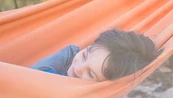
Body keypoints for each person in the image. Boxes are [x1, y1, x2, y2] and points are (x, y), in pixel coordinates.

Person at [30, 29, 162, 81]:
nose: (78, 68)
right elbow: (33, 76)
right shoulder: (69, 55)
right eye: (84, 55)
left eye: (91, 74)